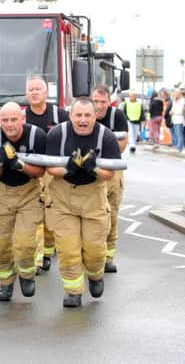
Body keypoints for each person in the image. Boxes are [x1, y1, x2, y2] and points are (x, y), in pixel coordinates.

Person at [45, 97, 121, 308]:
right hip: (63, 196)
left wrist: (92, 168)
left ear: (95, 116)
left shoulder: (106, 136)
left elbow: (109, 172)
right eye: (78, 115)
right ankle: (73, 292)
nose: (83, 120)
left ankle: (95, 275)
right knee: (68, 250)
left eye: (88, 115)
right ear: (70, 116)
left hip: (93, 196)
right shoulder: (57, 134)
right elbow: (50, 168)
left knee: (95, 249)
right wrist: (68, 169)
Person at [0, 102, 47, 301]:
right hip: (1, 191)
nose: (10, 125)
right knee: (2, 244)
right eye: (5, 120)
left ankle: (27, 275)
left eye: (14, 119)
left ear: (22, 119)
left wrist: (19, 164)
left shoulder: (36, 136)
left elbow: (40, 172)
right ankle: (5, 284)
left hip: (28, 191)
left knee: (25, 242)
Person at [24, 75, 69, 273]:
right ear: (27, 94)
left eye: (38, 89)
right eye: (31, 89)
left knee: (51, 213)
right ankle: (39, 257)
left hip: (53, 171)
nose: (34, 93)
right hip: (30, 171)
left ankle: (48, 251)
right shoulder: (21, 116)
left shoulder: (60, 115)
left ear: (46, 93)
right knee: (34, 213)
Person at [91, 85, 128, 273]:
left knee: (111, 213)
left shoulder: (117, 116)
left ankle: (108, 258)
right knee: (92, 216)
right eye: (95, 101)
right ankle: (91, 255)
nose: (98, 106)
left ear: (108, 102)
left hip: (112, 171)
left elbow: (121, 147)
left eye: (102, 102)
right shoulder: (84, 115)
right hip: (89, 171)